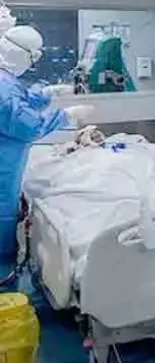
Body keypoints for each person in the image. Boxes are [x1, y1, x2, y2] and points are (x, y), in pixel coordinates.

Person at [0, 26, 93, 261]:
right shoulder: (4, 89)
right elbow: (28, 125)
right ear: (23, 55)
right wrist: (66, 115)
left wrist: (49, 93)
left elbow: (22, 101)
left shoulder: (5, 81)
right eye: (32, 58)